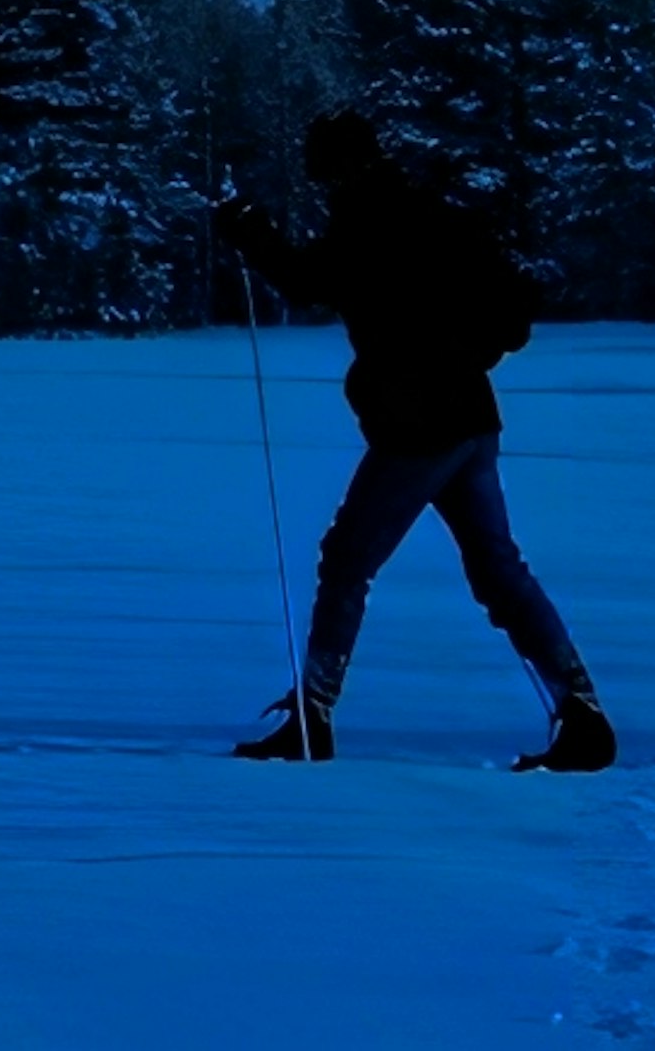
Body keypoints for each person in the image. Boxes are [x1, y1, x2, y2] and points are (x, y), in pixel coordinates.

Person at [210, 112, 616, 772]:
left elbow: (306, 280)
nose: (321, 184)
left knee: (347, 557)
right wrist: (464, 352)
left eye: (322, 169)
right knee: (498, 570)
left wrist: (245, 226)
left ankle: (312, 716)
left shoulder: (367, 222)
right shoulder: (433, 211)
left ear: (339, 167)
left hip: (419, 427)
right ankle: (582, 713)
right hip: (470, 421)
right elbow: (514, 306)